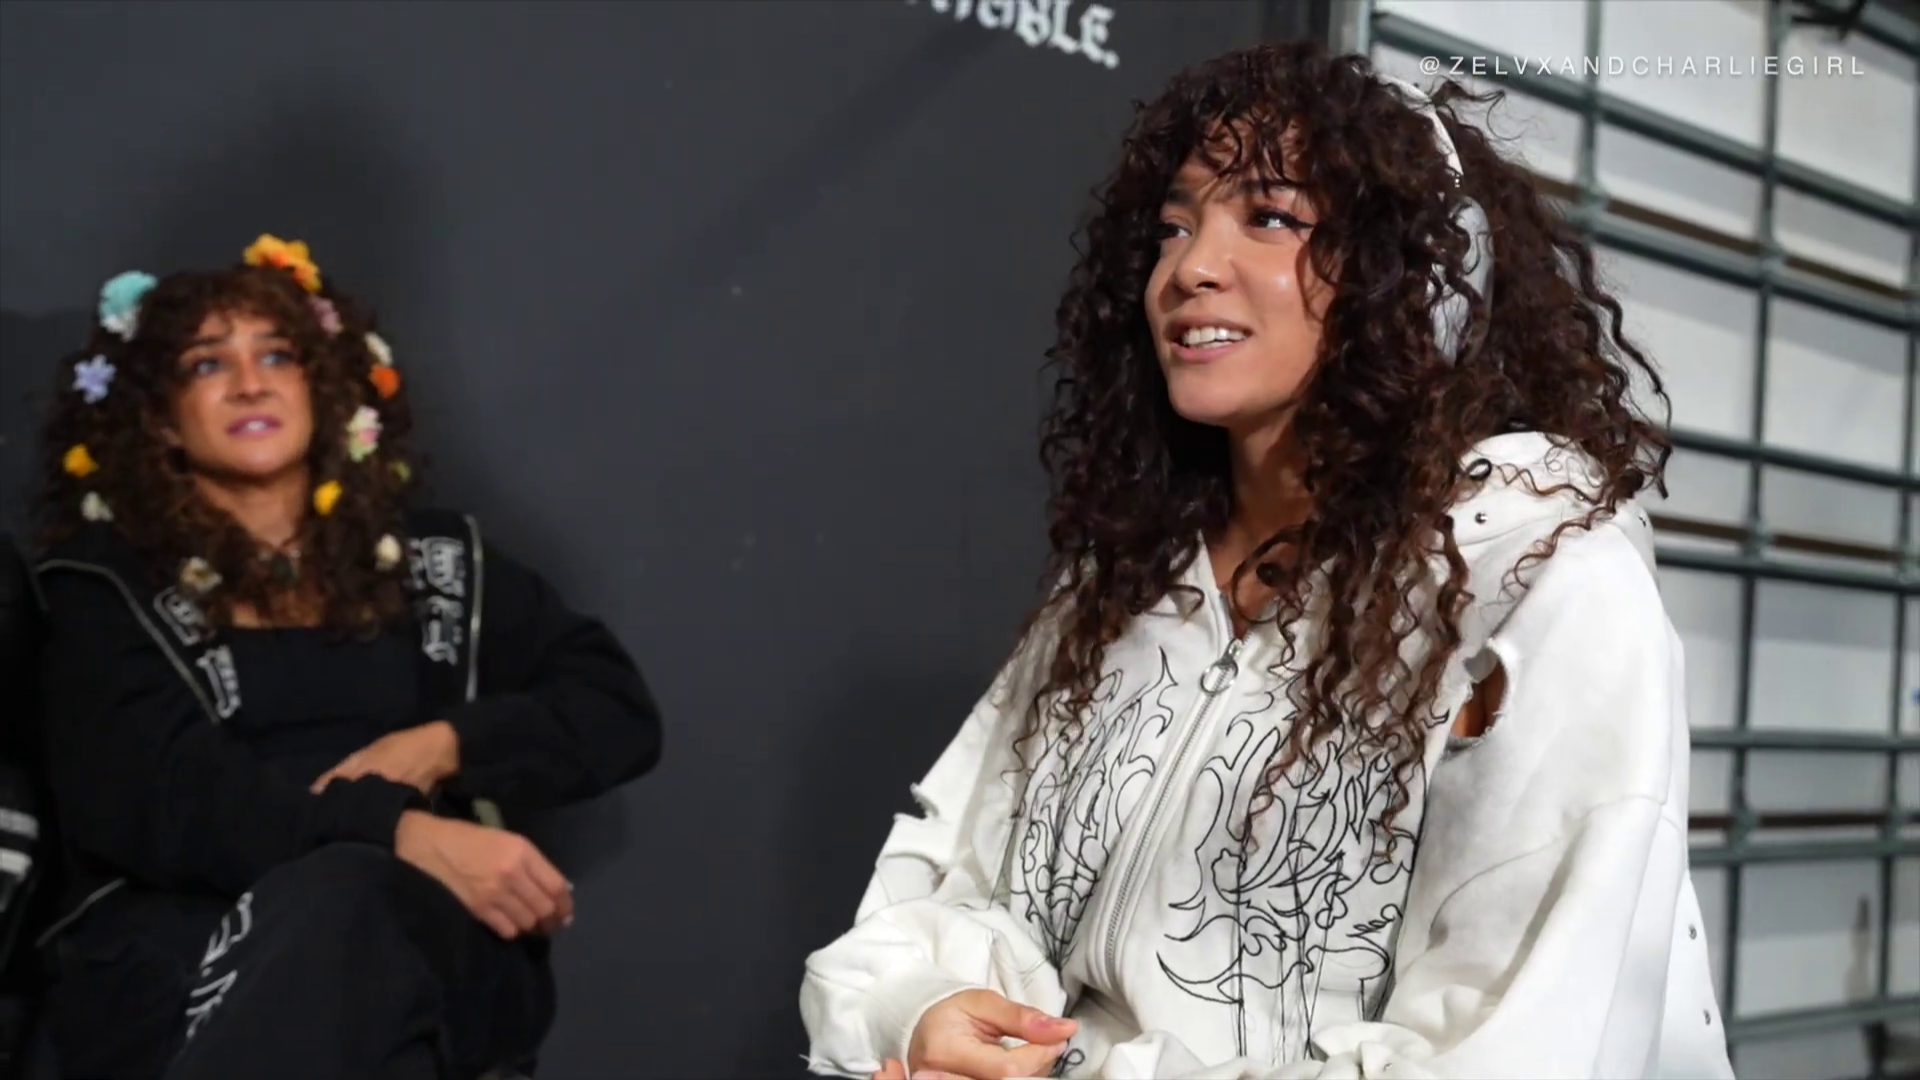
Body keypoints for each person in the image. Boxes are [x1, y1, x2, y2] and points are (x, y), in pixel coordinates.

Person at [800, 42, 1733, 1080]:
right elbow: (953, 883)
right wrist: (928, 1013)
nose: (1191, 267)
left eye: (1272, 217)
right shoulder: (1124, 584)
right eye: (1174, 227)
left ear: (1418, 277)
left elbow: (1513, 1047)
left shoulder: (1533, 580)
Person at [29, 235, 663, 1079]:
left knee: (370, 925)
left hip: (423, 929)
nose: (251, 383)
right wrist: (391, 831)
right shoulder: (99, 588)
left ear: (321, 387)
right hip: (186, 948)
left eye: (277, 355)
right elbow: (167, 799)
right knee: (349, 930)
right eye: (208, 365)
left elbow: (614, 707)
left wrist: (441, 745)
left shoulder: (435, 560)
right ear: (159, 418)